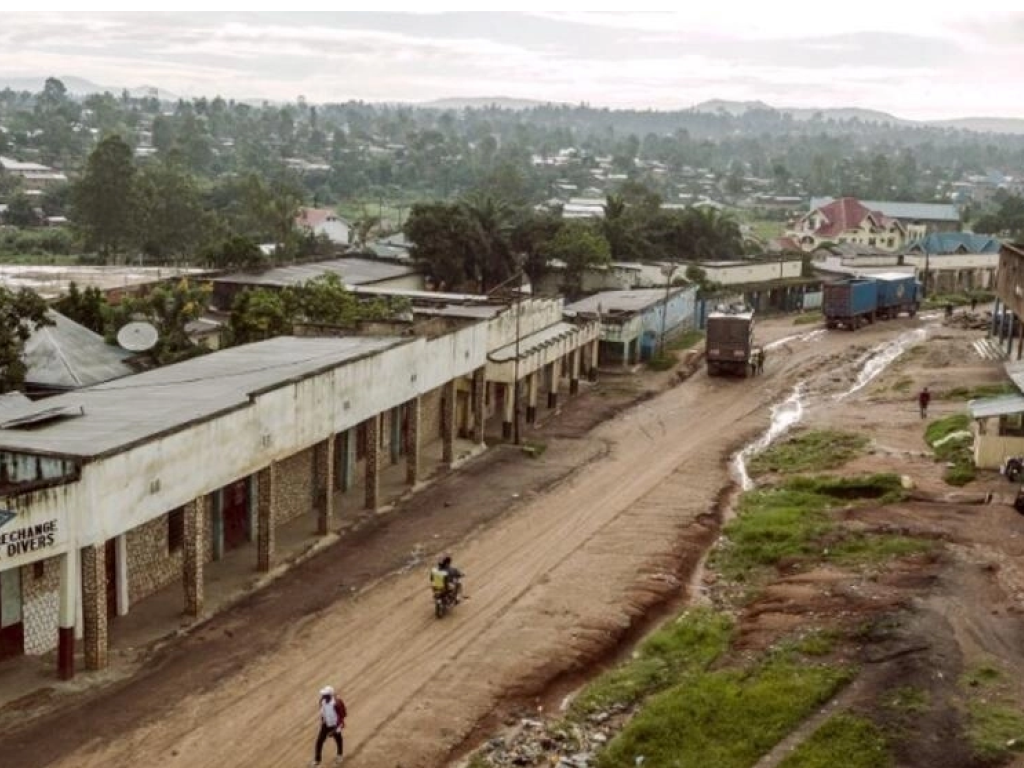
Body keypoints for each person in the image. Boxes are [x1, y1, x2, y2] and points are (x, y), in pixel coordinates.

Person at [311, 685, 346, 766]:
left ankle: (339, 755)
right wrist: (323, 721)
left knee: (338, 740)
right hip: (326, 724)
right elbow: (323, 712)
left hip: (335, 725)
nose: (323, 696)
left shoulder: (337, 703)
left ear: (330, 695)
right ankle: (317, 760)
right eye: (323, 695)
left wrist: (335, 729)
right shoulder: (322, 701)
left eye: (325, 695)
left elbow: (342, 716)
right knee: (319, 741)